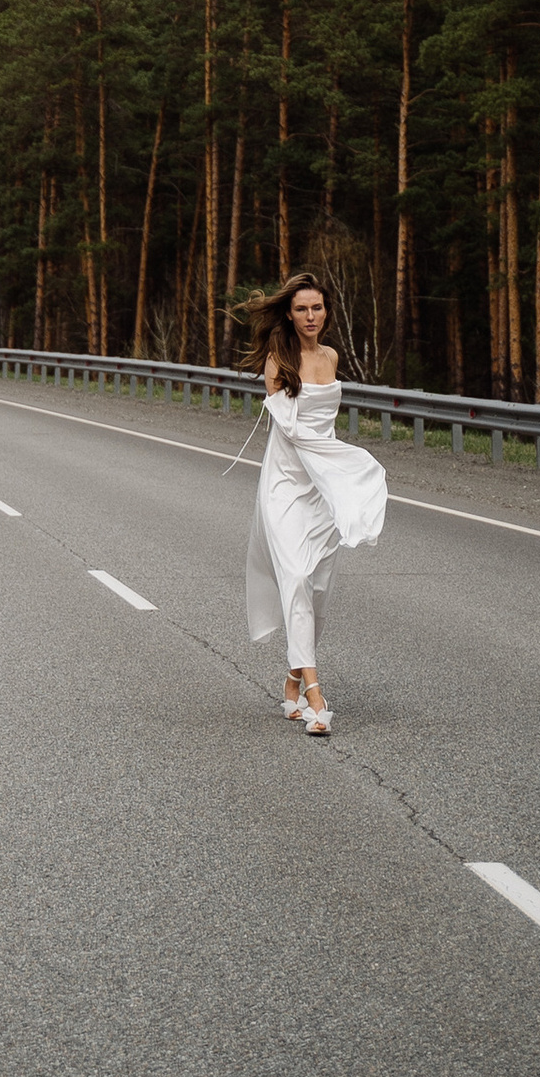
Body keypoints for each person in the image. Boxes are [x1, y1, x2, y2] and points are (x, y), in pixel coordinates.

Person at [241, 269, 386, 736]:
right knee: (297, 576)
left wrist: (343, 473)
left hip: (322, 485)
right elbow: (294, 431)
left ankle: (291, 681)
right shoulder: (276, 360)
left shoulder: (332, 355)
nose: (310, 316)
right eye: (301, 308)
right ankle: (316, 694)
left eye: (317, 308)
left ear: (327, 312)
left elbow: (324, 429)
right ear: (289, 312)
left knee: (318, 587)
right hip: (285, 482)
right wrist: (351, 460)